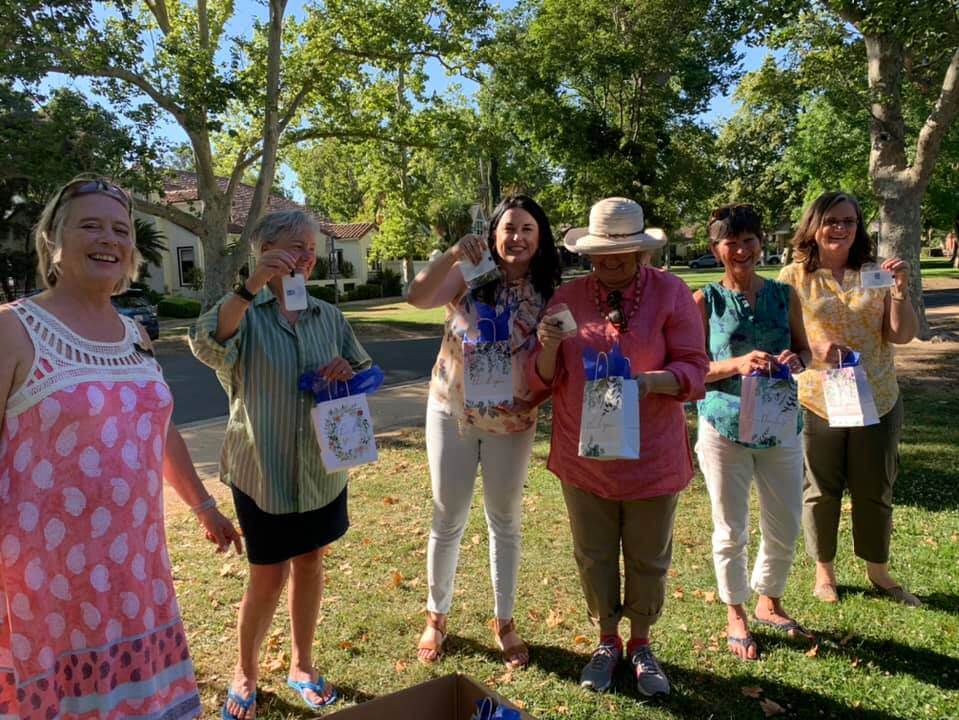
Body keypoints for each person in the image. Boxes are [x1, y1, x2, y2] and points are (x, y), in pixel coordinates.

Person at [0, 175, 241, 719]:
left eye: (120, 229)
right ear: (52, 242)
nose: (109, 238)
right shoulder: (13, 330)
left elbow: (158, 428)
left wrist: (204, 506)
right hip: (42, 587)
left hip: (135, 572)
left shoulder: (134, 334)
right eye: (90, 225)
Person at [189, 210, 372, 719]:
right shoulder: (246, 313)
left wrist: (344, 373)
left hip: (320, 470)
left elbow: (364, 372)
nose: (306, 257)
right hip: (261, 469)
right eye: (295, 247)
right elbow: (207, 343)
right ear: (266, 250)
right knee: (266, 576)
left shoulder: (329, 316)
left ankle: (302, 665)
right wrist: (252, 284)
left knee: (311, 562)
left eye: (311, 248)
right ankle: (244, 672)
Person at [531, 197, 708, 697]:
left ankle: (642, 643)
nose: (610, 264)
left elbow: (697, 368)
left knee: (649, 556)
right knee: (593, 554)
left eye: (621, 256)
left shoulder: (671, 293)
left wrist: (656, 382)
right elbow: (544, 379)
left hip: (652, 454)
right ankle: (607, 640)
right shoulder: (566, 299)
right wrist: (545, 345)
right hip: (583, 456)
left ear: (640, 253)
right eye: (600, 257)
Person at [407, 195, 561, 669]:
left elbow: (551, 362)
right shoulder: (468, 274)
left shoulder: (549, 290)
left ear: (540, 239)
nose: (516, 237)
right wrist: (453, 254)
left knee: (505, 521)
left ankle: (505, 621)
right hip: (451, 412)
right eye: (508, 228)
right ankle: (436, 616)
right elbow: (416, 297)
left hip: (512, 421)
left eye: (527, 230)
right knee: (447, 517)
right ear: (493, 234)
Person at [779, 192, 919, 607]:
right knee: (820, 490)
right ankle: (825, 572)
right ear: (814, 226)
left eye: (850, 221)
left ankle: (878, 571)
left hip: (877, 396)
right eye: (832, 221)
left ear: (859, 228)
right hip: (817, 399)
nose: (840, 228)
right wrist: (810, 352)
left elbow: (901, 335)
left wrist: (900, 291)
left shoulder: (874, 274)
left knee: (875, 487)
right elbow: (782, 337)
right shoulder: (792, 277)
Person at [693, 204, 813, 661]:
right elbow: (689, 368)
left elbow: (803, 350)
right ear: (715, 248)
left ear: (762, 243)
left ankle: (770, 599)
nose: (741, 250)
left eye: (749, 240)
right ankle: (736, 610)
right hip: (723, 426)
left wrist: (796, 360)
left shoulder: (785, 296)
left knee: (784, 522)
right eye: (730, 242)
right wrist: (736, 364)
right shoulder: (705, 301)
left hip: (780, 423)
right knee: (730, 527)